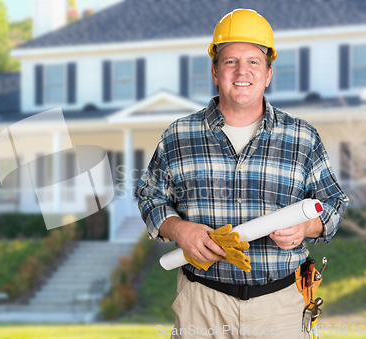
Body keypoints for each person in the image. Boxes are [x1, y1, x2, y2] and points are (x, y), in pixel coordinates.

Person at [135, 9, 349, 339]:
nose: (241, 71)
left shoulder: (302, 137)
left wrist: (307, 226)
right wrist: (179, 230)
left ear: (268, 74)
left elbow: (334, 202)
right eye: (230, 61)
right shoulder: (179, 136)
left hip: (281, 306)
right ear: (215, 71)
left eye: (253, 61)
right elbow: (151, 197)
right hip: (201, 304)